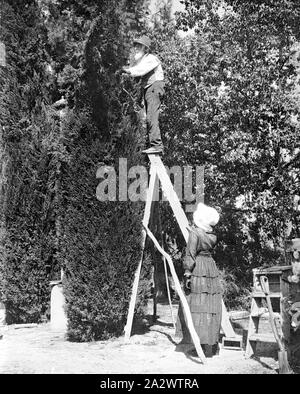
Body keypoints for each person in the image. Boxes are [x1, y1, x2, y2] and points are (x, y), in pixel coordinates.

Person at [176, 202, 222, 358]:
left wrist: (188, 272)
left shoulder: (195, 233)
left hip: (199, 268)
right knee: (209, 305)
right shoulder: (213, 235)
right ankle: (211, 345)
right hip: (211, 268)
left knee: (198, 304)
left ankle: (200, 346)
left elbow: (190, 254)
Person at [122, 35, 165, 154]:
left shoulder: (151, 58)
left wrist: (127, 70)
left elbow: (140, 70)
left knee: (152, 117)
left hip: (154, 87)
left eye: (138, 46)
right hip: (149, 89)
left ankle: (157, 146)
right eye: (135, 46)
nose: (135, 48)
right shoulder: (144, 59)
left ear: (145, 49)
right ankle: (154, 145)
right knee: (149, 117)